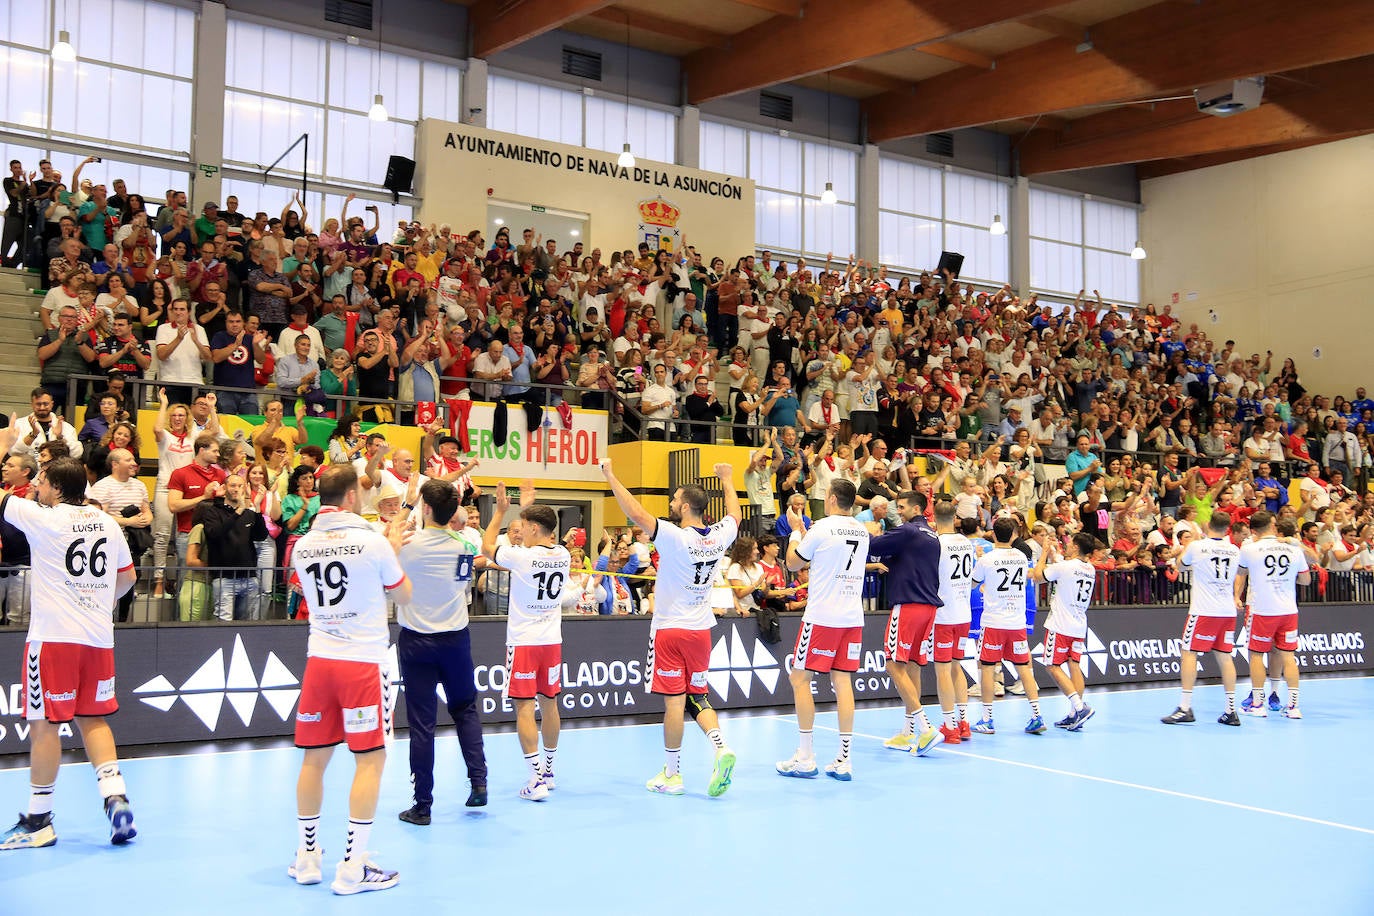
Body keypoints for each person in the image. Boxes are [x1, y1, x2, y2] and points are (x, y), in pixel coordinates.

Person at [0, 458, 138, 850]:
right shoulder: (108, 523)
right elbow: (128, 578)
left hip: (53, 640)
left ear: (57, 488)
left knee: (43, 725)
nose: (36, 489)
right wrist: (96, 602)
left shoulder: (45, 517)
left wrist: (5, 447)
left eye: (41, 482)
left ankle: (38, 820)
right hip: (97, 638)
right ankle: (116, 797)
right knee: (93, 720)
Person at [288, 466, 412, 895]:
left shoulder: (302, 546)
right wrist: (392, 550)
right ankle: (353, 867)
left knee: (313, 760)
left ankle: (307, 858)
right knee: (370, 761)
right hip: (362, 663)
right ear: (351, 498)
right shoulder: (373, 542)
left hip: (320, 661)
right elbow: (403, 594)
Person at [600, 456, 739, 797]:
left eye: (675, 500)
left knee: (675, 704)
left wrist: (611, 475)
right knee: (699, 697)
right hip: (701, 631)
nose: (672, 504)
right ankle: (721, 748)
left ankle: (672, 775)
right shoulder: (719, 535)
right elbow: (734, 514)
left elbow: (635, 514)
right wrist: (727, 478)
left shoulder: (676, 537)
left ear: (687, 506)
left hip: (670, 631)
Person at [394, 480, 489, 825]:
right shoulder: (464, 546)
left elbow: (388, 547)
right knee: (465, 709)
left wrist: (406, 507)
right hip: (455, 640)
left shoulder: (408, 546)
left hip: (417, 640)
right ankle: (479, 782)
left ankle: (422, 805)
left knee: (422, 724)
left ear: (427, 509)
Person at [481, 480, 572, 802]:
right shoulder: (562, 554)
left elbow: (487, 545)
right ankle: (548, 770)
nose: (519, 533)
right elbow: (538, 531)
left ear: (533, 528)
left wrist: (501, 512)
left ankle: (535, 780)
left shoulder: (521, 558)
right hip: (551, 641)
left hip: (523, 642)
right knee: (550, 703)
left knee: (523, 707)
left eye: (523, 528)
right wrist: (526, 508)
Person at [777, 479, 871, 781]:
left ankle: (805, 757)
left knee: (799, 678)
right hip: (852, 617)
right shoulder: (861, 530)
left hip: (822, 617)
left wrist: (794, 532)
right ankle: (844, 759)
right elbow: (832, 556)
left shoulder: (821, 527)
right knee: (842, 682)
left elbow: (793, 563)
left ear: (830, 499)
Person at [866, 489, 945, 756]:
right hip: (928, 608)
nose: (897, 512)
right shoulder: (931, 535)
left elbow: (872, 546)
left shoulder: (908, 531)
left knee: (892, 663)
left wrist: (867, 531)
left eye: (901, 507)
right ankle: (908, 732)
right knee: (912, 666)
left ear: (915, 508)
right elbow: (901, 559)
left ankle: (925, 728)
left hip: (908, 607)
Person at [1161, 511, 1243, 726]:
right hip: (1227, 611)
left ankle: (1185, 708)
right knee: (1225, 657)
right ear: (1227, 529)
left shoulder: (1198, 546)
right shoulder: (1235, 550)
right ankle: (1231, 711)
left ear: (1208, 525)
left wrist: (1189, 545)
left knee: (1189, 653)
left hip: (1204, 610)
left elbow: (1180, 565)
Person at [970, 517, 1046, 735]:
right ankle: (1036, 715)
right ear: (1014, 534)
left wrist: (979, 565)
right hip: (1016, 622)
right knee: (1024, 669)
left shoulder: (987, 559)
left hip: (993, 622)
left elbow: (974, 584)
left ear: (993, 534)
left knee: (986, 669)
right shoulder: (1022, 558)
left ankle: (987, 719)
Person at [1235, 512, 1310, 719]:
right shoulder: (1293, 548)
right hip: (1288, 610)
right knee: (1288, 656)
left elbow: (1241, 573)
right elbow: (1305, 581)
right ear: (1273, 525)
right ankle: (1293, 707)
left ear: (1254, 530)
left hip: (1262, 610)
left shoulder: (1249, 549)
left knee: (1257, 655)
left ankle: (1258, 704)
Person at [1031, 531, 1099, 730]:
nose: (1067, 545)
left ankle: (1079, 708)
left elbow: (1037, 577)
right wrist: (1055, 554)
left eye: (1071, 544)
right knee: (1074, 665)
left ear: (1076, 547)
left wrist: (1044, 553)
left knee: (1052, 665)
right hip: (1079, 625)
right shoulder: (1090, 569)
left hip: (1060, 624)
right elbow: (1064, 567)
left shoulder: (1065, 567)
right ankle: (1073, 714)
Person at [931, 498, 975, 743]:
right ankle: (963, 722)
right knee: (956, 668)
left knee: (943, 671)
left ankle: (949, 726)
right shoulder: (966, 543)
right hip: (963, 614)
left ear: (935, 519)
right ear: (955, 518)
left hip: (943, 615)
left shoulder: (936, 543)